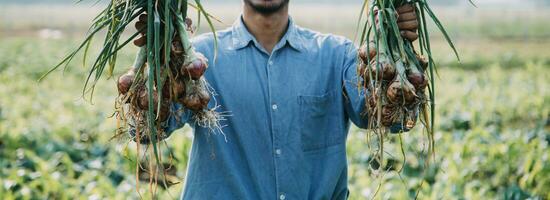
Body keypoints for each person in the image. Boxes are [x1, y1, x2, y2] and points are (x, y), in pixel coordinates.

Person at [127, 0, 419, 199]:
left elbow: (388, 116)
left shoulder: (336, 56)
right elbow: (152, 128)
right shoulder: (201, 58)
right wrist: (162, 50)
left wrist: (394, 43)